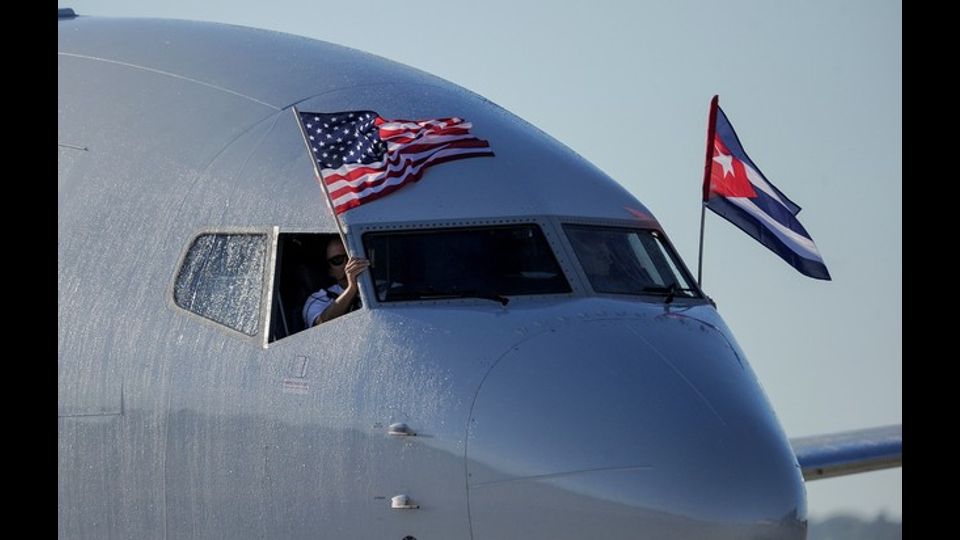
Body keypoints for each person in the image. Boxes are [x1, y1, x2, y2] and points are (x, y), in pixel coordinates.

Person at [302, 237, 370, 326]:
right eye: (338, 260)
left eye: (350, 256)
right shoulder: (319, 299)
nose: (348, 264)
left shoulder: (385, 288)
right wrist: (351, 288)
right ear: (329, 270)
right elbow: (319, 325)